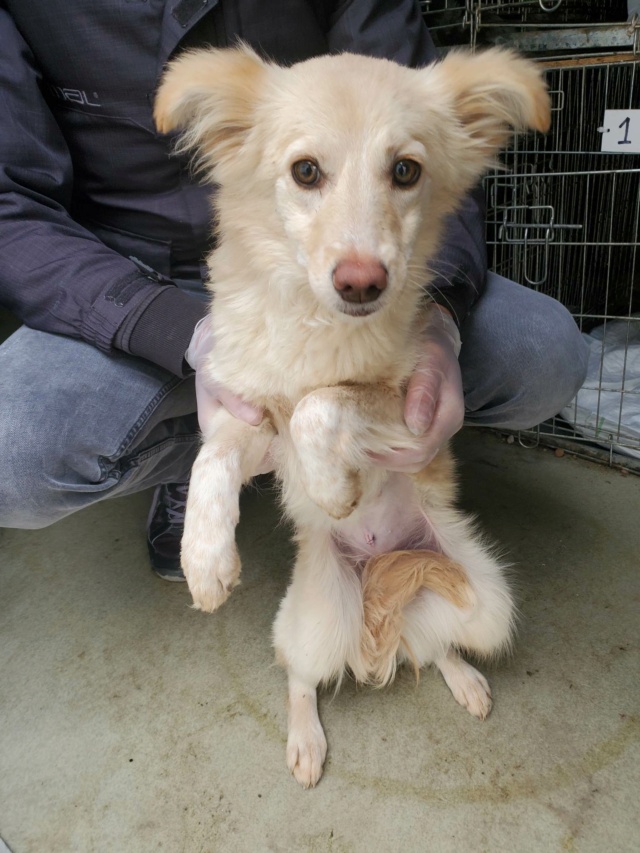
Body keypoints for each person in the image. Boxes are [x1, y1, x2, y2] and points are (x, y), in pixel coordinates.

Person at [0, 0, 588, 580]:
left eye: (400, 172)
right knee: (12, 448)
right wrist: (174, 329)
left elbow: (426, 146)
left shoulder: (376, 232)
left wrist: (440, 317)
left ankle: (343, 430)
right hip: (124, 271)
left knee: (544, 352)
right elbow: (10, 206)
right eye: (309, 170)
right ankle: (224, 454)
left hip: (370, 291)